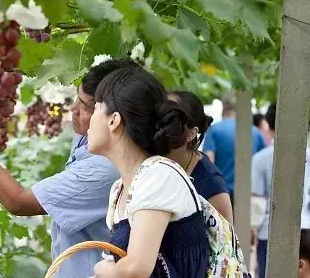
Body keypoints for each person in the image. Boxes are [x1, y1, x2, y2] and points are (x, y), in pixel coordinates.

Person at [0, 59, 139, 278]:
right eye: (77, 98)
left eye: (85, 106)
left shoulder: (104, 168)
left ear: (114, 119)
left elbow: (19, 202)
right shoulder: (96, 139)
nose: (73, 107)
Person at [89, 65, 209, 278]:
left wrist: (104, 270)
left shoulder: (158, 176)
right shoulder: (121, 188)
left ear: (114, 120)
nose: (89, 120)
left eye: (96, 107)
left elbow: (137, 268)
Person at [252, 103, 310, 278]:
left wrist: (253, 229)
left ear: (268, 125)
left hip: (269, 232)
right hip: (306, 229)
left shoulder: (260, 159)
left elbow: (257, 200)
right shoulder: (307, 156)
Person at [167, 91, 233, 223]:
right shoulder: (154, 163)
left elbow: (226, 240)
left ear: (191, 133)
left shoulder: (212, 186)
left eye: (171, 118)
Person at [203, 96, 266, 202]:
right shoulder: (255, 132)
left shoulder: (214, 130)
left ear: (224, 111)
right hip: (248, 191)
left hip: (222, 191)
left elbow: (209, 161)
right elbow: (261, 162)